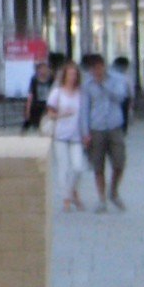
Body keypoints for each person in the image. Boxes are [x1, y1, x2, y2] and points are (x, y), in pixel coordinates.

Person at [79, 54, 130, 213]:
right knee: (98, 166)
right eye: (94, 68)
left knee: (119, 162)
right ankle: (101, 199)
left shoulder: (116, 80)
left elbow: (120, 97)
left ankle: (113, 191)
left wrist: (104, 85)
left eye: (99, 67)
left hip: (114, 125)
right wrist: (85, 132)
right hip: (96, 127)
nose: (97, 70)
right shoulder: (87, 84)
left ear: (104, 66)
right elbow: (84, 109)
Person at [45, 61, 86, 212]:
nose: (72, 77)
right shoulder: (58, 92)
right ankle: (66, 199)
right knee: (64, 168)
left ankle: (72, 191)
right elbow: (50, 113)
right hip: (61, 134)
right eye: (70, 74)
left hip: (76, 135)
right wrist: (62, 114)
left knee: (78, 167)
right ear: (64, 76)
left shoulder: (80, 93)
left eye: (75, 74)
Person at [23, 59, 53, 133]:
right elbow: (31, 95)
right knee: (29, 121)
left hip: (47, 105)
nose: (43, 70)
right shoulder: (34, 80)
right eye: (41, 68)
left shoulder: (51, 80)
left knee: (45, 123)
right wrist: (28, 109)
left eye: (45, 68)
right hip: (36, 105)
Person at [111, 56, 133, 131]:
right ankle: (123, 128)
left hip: (120, 98)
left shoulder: (113, 76)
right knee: (124, 115)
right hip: (124, 98)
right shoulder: (126, 77)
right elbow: (130, 90)